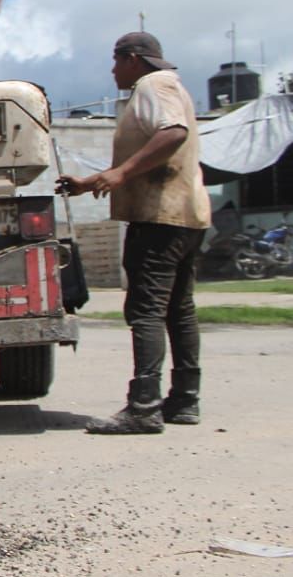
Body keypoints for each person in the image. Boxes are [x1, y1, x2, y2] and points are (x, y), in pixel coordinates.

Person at [57, 31, 210, 434]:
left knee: (146, 311)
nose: (111, 70)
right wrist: (89, 183)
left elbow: (172, 132)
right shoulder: (171, 85)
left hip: (159, 218)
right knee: (179, 310)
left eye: (115, 61)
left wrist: (122, 172)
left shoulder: (152, 85)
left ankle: (143, 408)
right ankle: (185, 399)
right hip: (186, 215)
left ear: (132, 59)